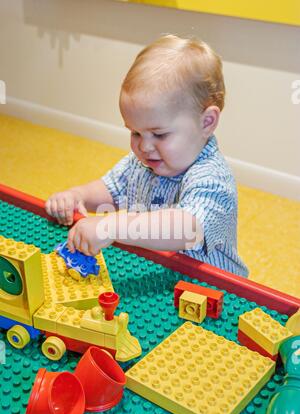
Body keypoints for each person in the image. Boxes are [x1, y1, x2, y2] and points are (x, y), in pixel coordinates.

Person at [46, 34, 249, 277]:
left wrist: (111, 226)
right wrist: (76, 195)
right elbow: (111, 190)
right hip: (158, 274)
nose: (144, 146)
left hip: (215, 288)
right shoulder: (142, 163)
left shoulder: (213, 178)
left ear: (206, 122)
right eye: (135, 132)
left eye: (159, 134)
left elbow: (185, 229)